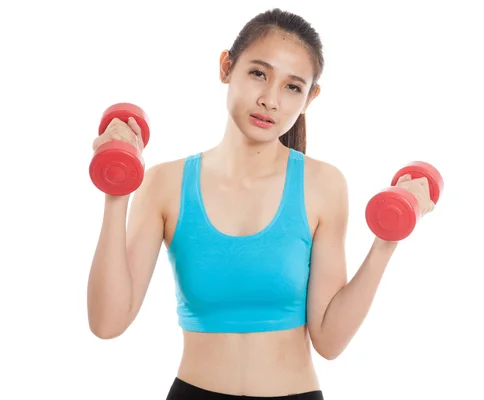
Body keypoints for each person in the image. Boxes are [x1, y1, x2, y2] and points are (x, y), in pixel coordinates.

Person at [87, 8, 435, 400]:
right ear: (226, 67)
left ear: (309, 98)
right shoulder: (165, 184)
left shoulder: (323, 186)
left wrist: (386, 242)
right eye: (258, 73)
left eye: (292, 87)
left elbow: (330, 341)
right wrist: (116, 194)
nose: (270, 100)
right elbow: (107, 322)